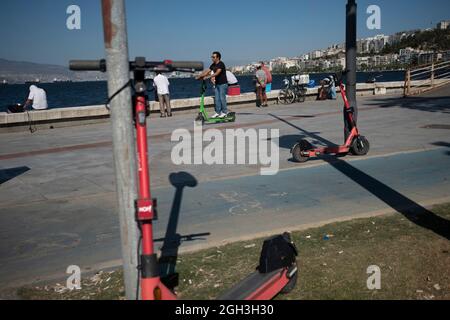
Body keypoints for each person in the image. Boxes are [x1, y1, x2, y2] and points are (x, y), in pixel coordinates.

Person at [196, 51, 228, 118]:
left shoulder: (221, 64)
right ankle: (218, 112)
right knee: (217, 99)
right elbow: (207, 71)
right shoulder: (213, 65)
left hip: (223, 84)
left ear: (218, 57)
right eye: (212, 57)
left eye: (213, 57)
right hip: (217, 84)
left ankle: (225, 112)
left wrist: (208, 77)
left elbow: (217, 73)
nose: (212, 58)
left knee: (222, 98)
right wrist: (199, 76)